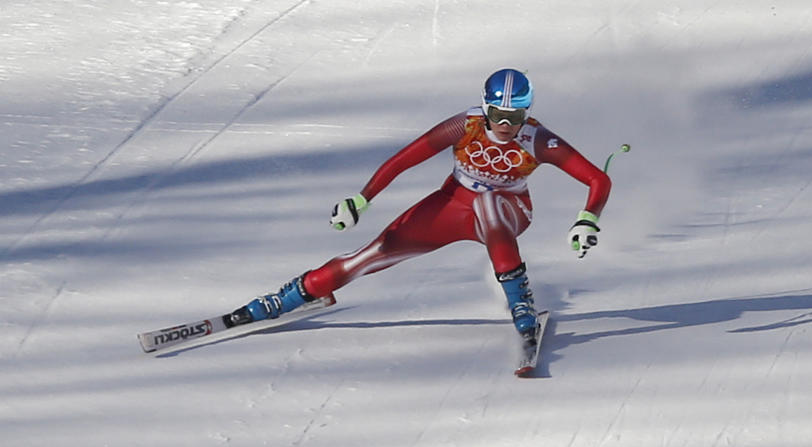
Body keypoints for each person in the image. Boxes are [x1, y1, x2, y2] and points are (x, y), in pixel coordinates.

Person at [228, 69, 612, 342]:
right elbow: (405, 158)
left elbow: (598, 179)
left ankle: (519, 301)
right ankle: (290, 296)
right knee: (370, 254)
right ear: (486, 108)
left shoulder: (538, 139)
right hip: (453, 204)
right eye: (498, 115)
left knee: (490, 203)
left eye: (514, 116)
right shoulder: (466, 125)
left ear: (526, 113)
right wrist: (362, 199)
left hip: (510, 210)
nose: (506, 125)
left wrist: (586, 220)